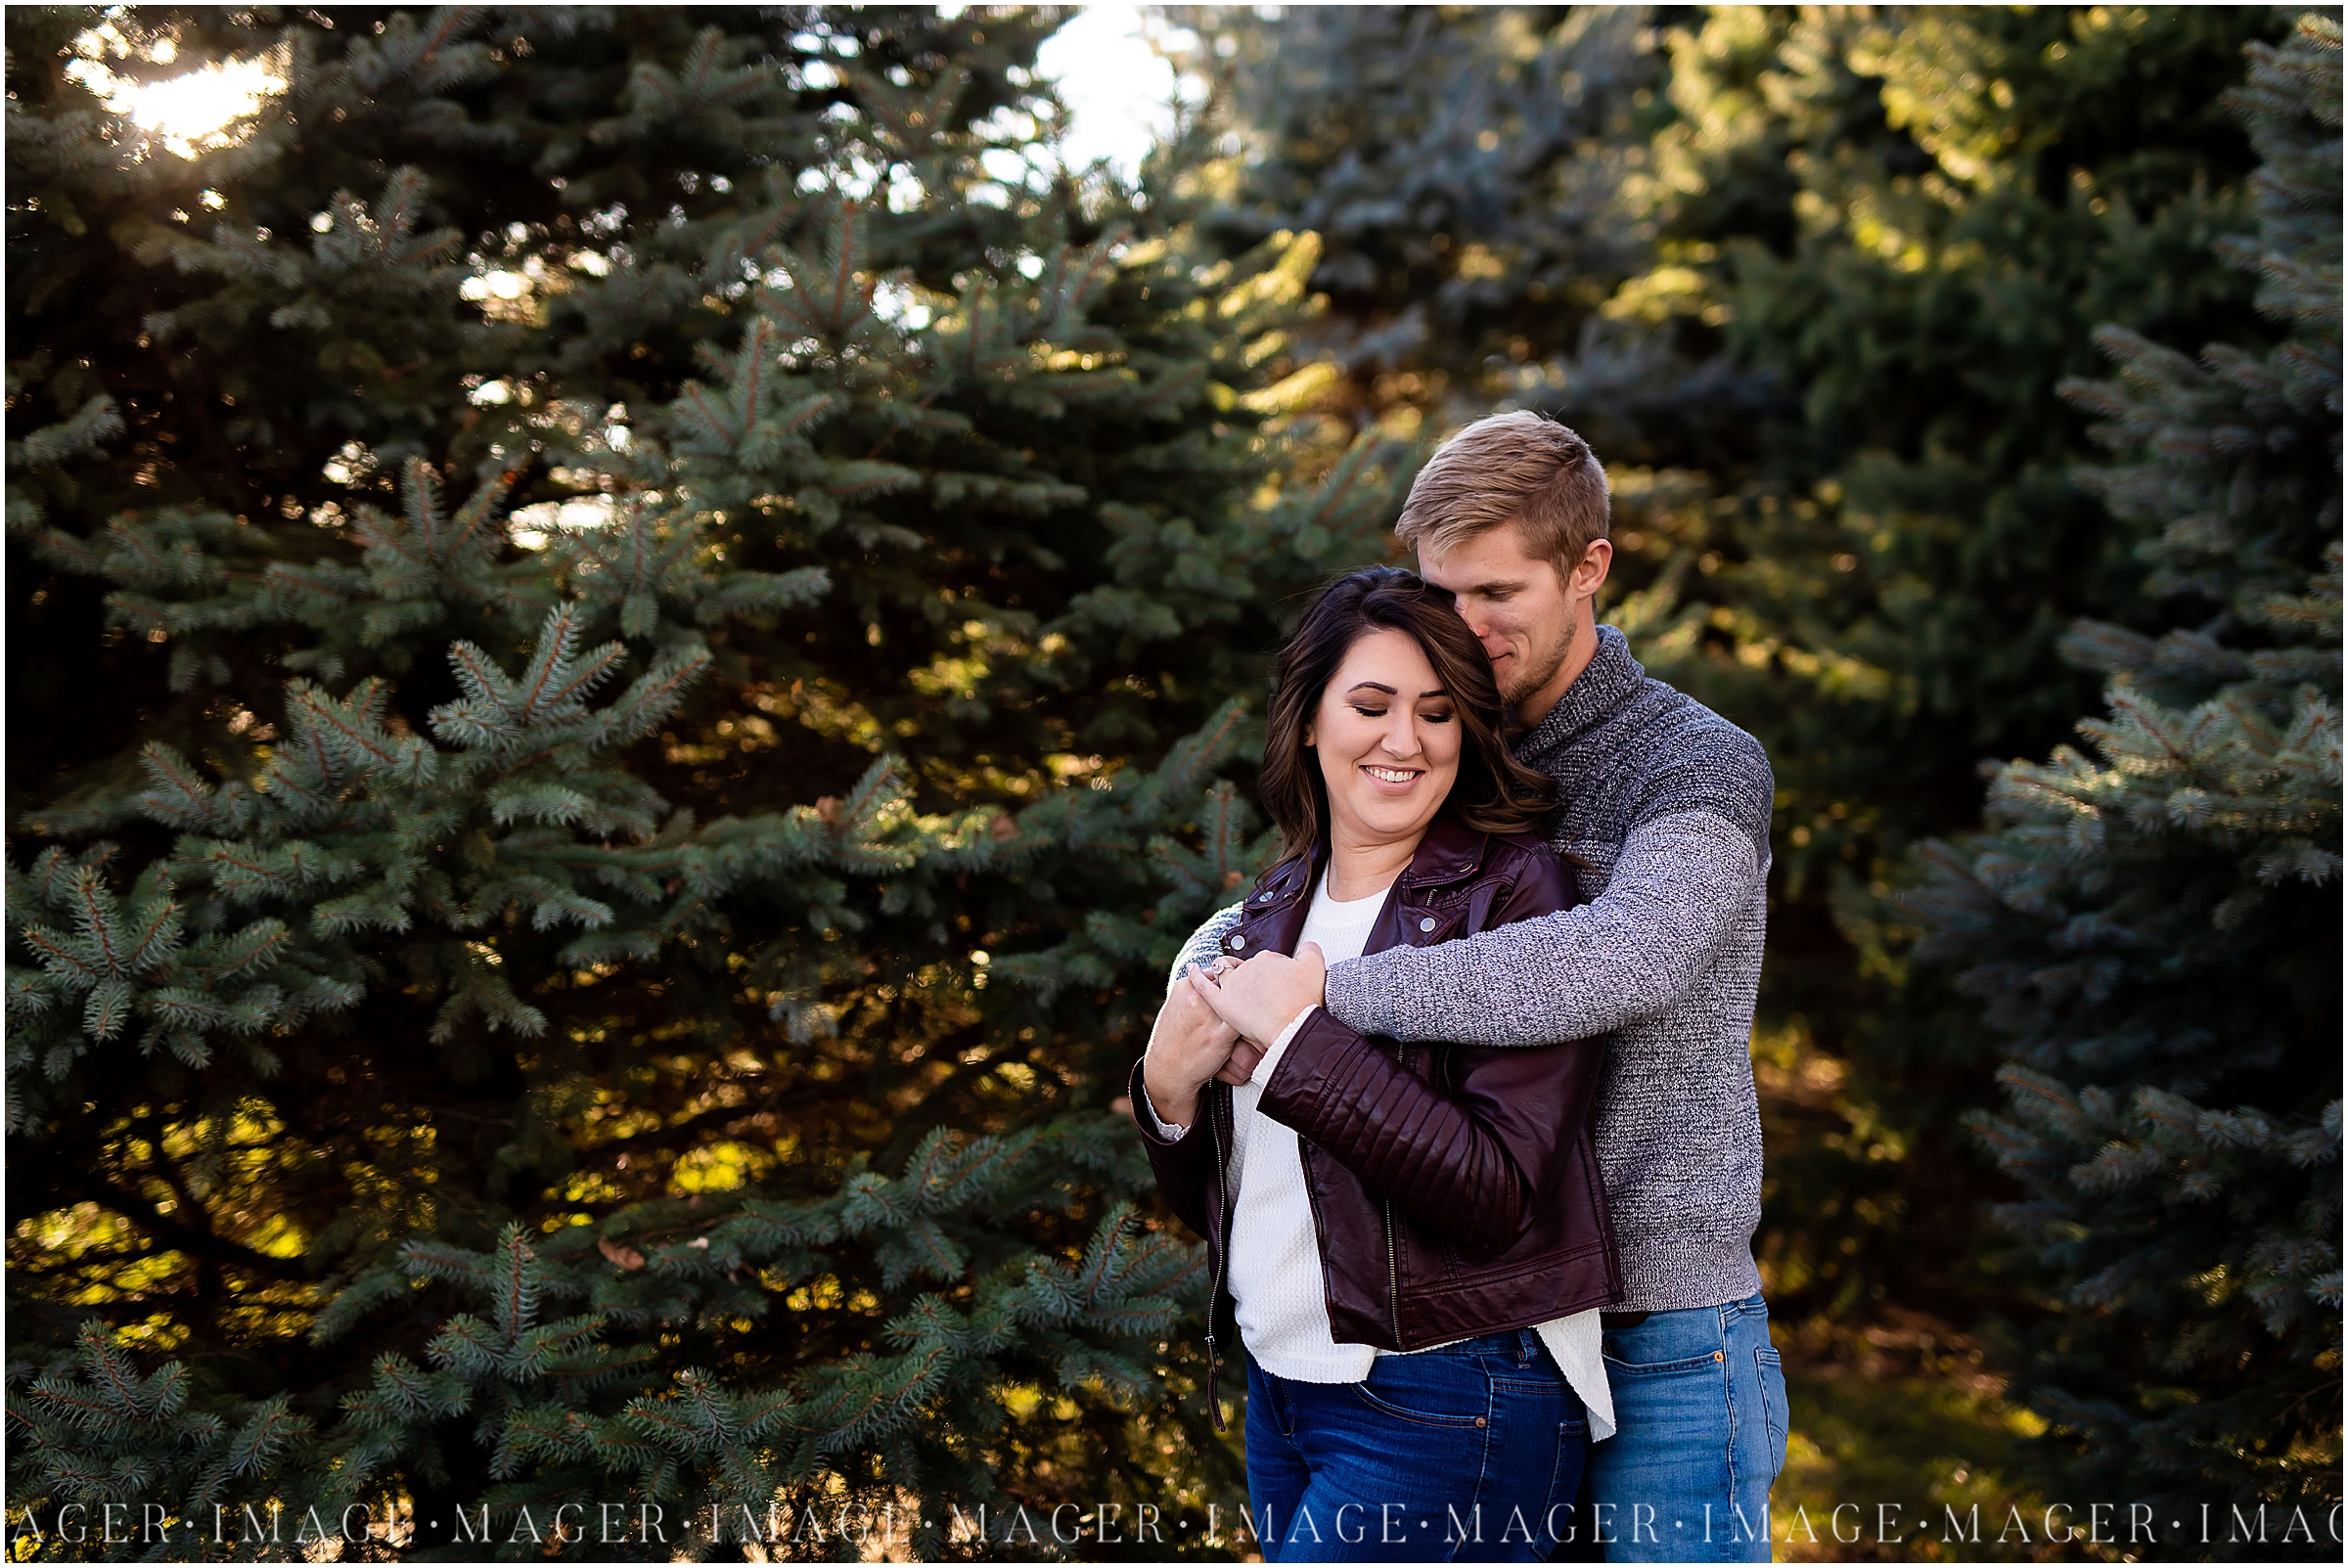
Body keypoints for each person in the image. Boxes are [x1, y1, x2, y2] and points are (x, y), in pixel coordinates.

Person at [1203, 413, 1786, 1564]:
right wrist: (1212, 980)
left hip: (1662, 1325)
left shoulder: (1693, 761)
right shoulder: (1443, 749)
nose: (1459, 631)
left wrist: (1324, 992)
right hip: (1480, 1327)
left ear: (1588, 570)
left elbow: (1629, 955)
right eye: (1439, 593)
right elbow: (1303, 898)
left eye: (1496, 594)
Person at [1130, 566, 1619, 1563]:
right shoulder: (1258, 923)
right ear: (1308, 721)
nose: (1405, 740)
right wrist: (1167, 1093)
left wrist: (1304, 1043)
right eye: (1371, 705)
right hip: (1283, 1394)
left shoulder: (1518, 896)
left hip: (1456, 1388)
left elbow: (1496, 1190)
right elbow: (1240, 1201)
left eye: (1437, 713)